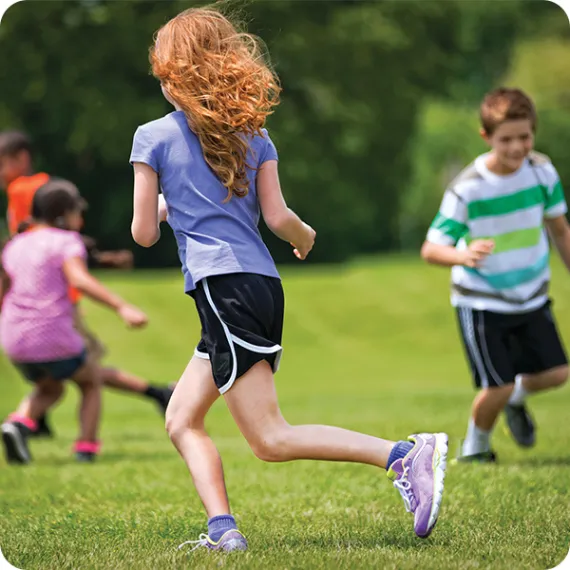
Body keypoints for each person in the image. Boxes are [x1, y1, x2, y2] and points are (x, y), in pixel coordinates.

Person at [130, 7, 448, 553]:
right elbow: (278, 219)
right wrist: (304, 238)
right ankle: (223, 533)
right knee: (182, 417)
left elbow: (140, 235)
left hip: (222, 289)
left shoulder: (151, 136)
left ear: (174, 74)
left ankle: (402, 455)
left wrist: (161, 207)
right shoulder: (256, 135)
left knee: (271, 438)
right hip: (257, 286)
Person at [421, 87, 570, 462]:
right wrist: (463, 254)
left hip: (531, 295)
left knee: (557, 373)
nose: (518, 147)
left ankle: (514, 400)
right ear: (486, 137)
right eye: (507, 140)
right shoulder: (468, 188)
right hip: (482, 301)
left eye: (525, 136)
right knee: (497, 385)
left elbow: (559, 229)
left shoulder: (542, 171)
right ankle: (476, 450)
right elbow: (431, 249)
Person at [0, 130, 173, 437]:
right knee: (83, 370)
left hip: (51, 296)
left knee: (79, 368)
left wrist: (96, 257)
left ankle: (32, 421)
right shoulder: (29, 191)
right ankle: (154, 395)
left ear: (21, 159)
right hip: (50, 298)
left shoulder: (28, 189)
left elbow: (55, 238)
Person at [0, 179, 148, 463]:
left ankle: (17, 424)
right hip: (51, 333)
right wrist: (122, 307)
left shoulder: (15, 244)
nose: (80, 219)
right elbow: (80, 279)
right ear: (63, 214)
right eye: (77, 212)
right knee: (90, 380)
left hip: (14, 339)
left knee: (50, 388)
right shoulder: (67, 241)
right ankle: (86, 448)